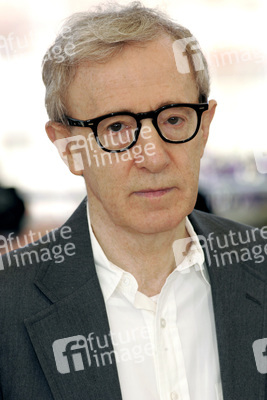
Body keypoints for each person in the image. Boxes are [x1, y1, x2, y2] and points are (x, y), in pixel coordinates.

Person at [0, 3, 266, 400]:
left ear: (205, 126)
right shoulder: (8, 304)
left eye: (174, 119)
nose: (154, 157)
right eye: (117, 127)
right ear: (68, 148)